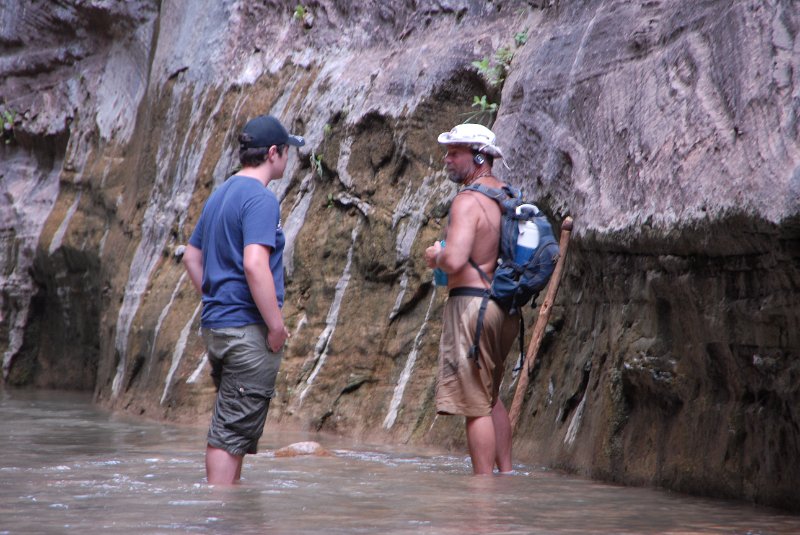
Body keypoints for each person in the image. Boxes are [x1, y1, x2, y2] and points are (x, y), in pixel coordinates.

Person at [182, 114, 304, 484]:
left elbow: (191, 256)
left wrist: (216, 297)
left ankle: (230, 513)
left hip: (218, 326)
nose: (288, 159)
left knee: (232, 429)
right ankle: (219, 513)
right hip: (247, 331)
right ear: (273, 153)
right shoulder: (261, 200)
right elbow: (255, 264)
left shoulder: (221, 193)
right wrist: (276, 326)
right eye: (287, 152)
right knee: (229, 433)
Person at [424, 123, 519, 475]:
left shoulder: (468, 200)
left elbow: (455, 259)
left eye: (455, 153)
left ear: (479, 155)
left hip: (472, 308)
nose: (447, 159)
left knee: (475, 405)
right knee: (490, 396)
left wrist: (436, 254)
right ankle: (505, 476)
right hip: (504, 309)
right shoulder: (507, 195)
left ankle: (482, 493)